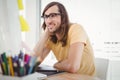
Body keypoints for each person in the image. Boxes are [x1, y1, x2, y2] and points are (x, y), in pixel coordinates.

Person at [32, 1, 95, 76]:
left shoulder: (76, 29)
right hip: (66, 77)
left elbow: (72, 67)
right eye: (46, 16)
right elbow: (32, 64)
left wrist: (56, 65)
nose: (48, 21)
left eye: (53, 15)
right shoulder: (51, 38)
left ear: (63, 16)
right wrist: (45, 35)